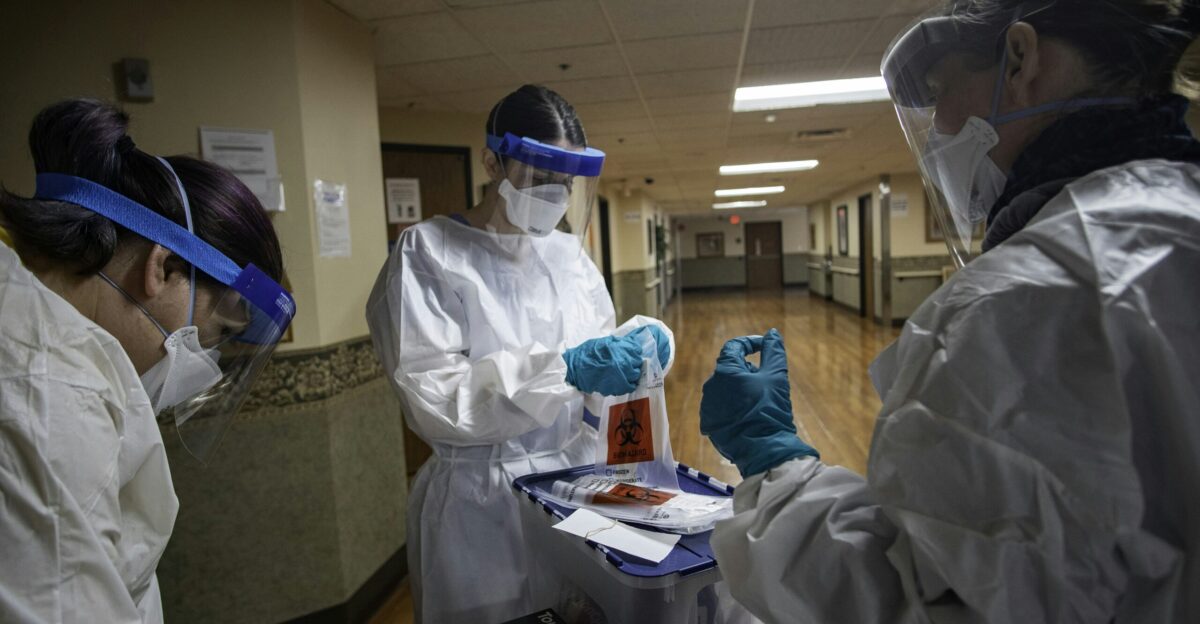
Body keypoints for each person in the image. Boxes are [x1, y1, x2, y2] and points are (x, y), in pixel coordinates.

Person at [699, 1, 1200, 622]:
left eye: (939, 91)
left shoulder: (1024, 305)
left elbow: (918, 600)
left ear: (1022, 59)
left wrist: (774, 465)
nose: (936, 125)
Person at [366, 84, 674, 623]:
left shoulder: (568, 258)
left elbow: (602, 360)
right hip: (480, 502)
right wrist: (566, 370)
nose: (554, 194)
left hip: (577, 487)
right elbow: (435, 399)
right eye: (538, 177)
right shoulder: (429, 253)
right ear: (491, 161)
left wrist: (640, 350)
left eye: (565, 181)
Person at [0, 99, 295, 623]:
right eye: (218, 332)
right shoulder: (52, 397)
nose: (207, 357)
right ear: (162, 268)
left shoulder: (27, 309)